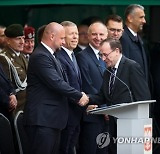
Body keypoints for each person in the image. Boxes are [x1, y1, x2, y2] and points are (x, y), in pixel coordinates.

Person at [23, 22, 89, 154]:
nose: (64, 42)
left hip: (51, 120)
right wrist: (79, 95)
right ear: (52, 36)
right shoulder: (41, 56)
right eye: (62, 38)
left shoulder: (50, 55)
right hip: (42, 120)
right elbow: (56, 82)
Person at [90, 38, 151, 154]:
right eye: (101, 55)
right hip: (113, 127)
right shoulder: (108, 72)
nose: (103, 59)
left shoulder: (131, 67)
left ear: (116, 51)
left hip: (132, 126)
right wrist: (87, 98)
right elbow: (103, 96)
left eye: (105, 55)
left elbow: (143, 97)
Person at [76, 21, 108, 154]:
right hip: (92, 114)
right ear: (88, 36)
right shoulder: (82, 57)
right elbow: (87, 85)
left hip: (108, 114)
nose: (98, 37)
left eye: (101, 34)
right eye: (94, 34)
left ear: (107, 36)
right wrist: (104, 106)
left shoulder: (108, 56)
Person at [55, 21, 83, 154]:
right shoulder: (59, 57)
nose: (75, 37)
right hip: (66, 115)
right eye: (71, 34)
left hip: (75, 114)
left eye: (76, 33)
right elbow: (64, 85)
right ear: (62, 37)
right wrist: (81, 99)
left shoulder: (72, 55)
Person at [0, 24, 28, 113]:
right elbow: (7, 85)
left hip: (27, 105)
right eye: (18, 39)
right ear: (8, 40)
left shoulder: (22, 56)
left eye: (23, 38)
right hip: (17, 107)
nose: (22, 42)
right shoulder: (4, 58)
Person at [120, 4, 148, 81]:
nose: (144, 21)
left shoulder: (138, 38)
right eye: (141, 17)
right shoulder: (123, 38)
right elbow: (124, 69)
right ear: (130, 18)